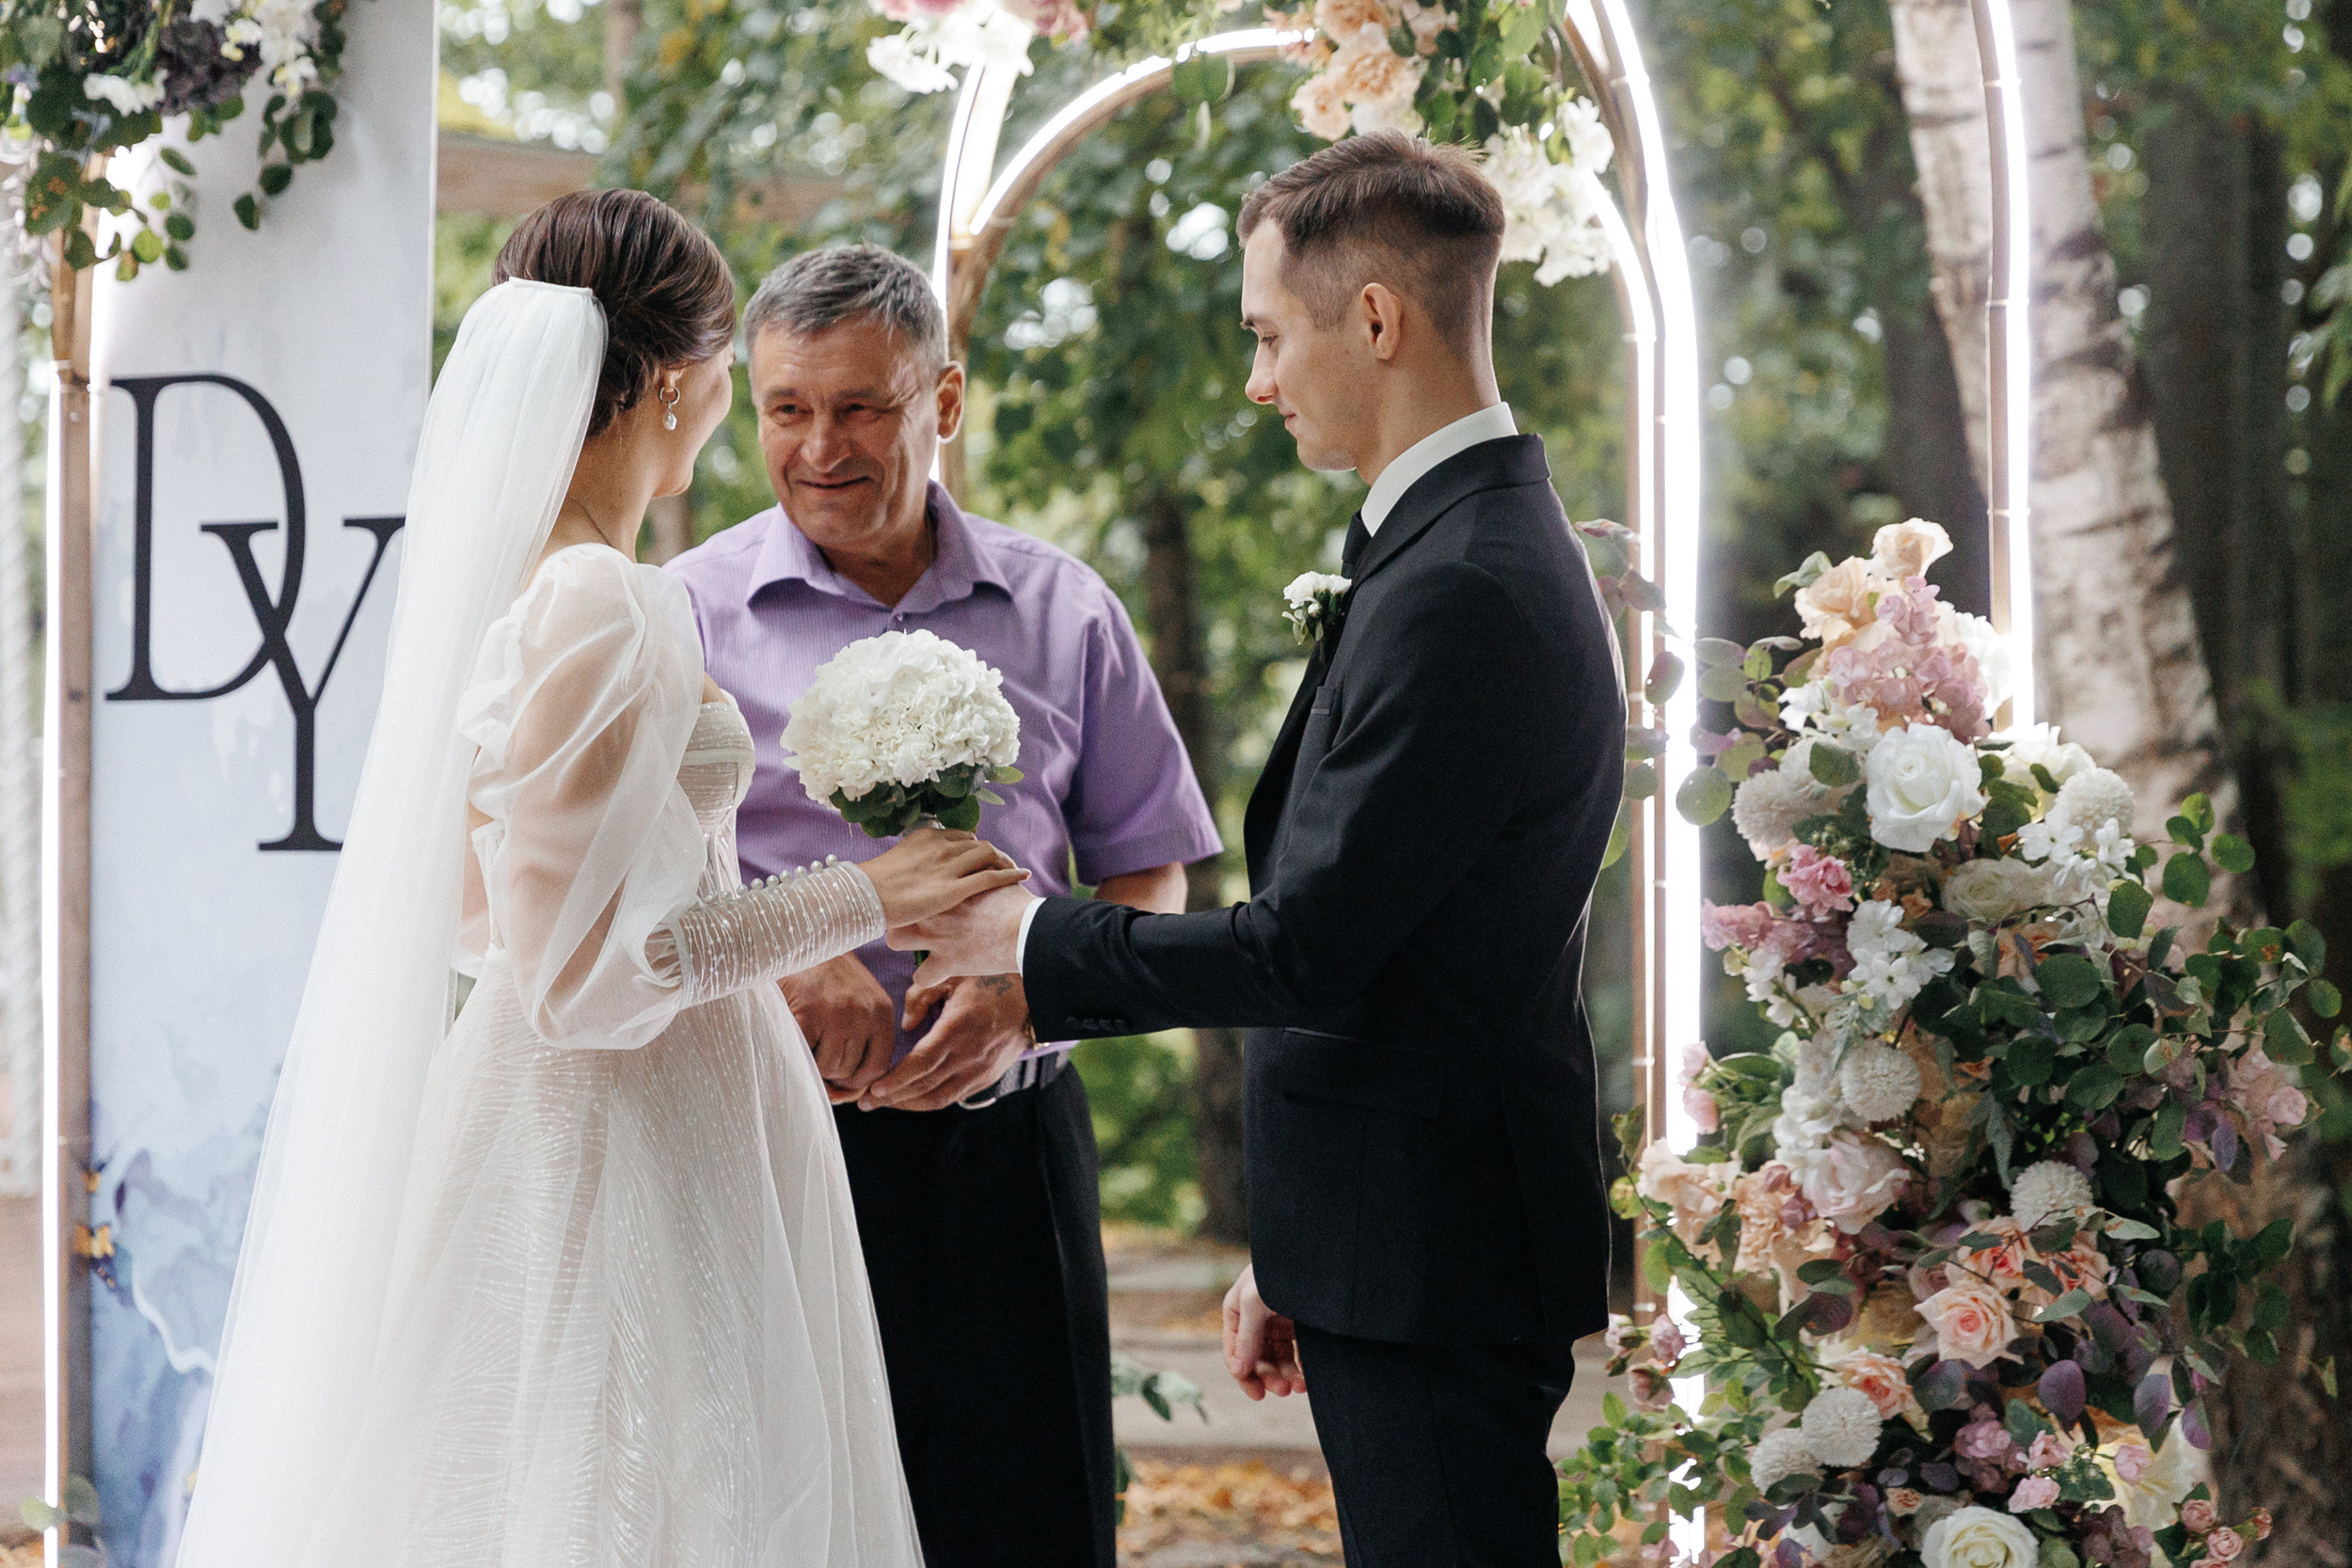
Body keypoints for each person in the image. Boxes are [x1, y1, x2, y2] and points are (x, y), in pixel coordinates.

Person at [176, 191, 1022, 1567]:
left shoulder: (517, 585)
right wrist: (871, 893)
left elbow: (481, 917)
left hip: (582, 1103)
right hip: (623, 1132)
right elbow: (590, 982)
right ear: (684, 384)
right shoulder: (603, 600)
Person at [896, 134, 1626, 1568]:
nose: (1256, 379)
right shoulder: (1443, 548)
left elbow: (1311, 944)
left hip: (1434, 1254)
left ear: (1374, 319)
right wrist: (1298, 1249)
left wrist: (1031, 941)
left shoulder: (1464, 587)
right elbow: (1412, 948)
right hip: (1398, 1234)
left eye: (1267, 333)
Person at [666, 243, 1221, 1568]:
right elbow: (629, 890)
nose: (818, 447)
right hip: (771, 1141)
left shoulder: (1064, 609)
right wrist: (779, 960)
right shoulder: (680, 615)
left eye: (861, 406)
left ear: (945, 402)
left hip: (1012, 1155)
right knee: (794, 1522)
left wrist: (1039, 1000)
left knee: (1033, 1519)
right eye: (786, 408)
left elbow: (1152, 864)